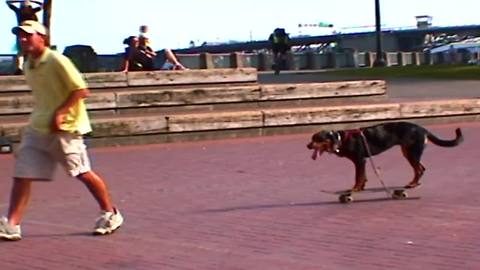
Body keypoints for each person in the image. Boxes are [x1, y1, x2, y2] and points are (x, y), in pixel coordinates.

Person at [0, 20, 124, 241]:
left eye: (28, 35)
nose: (23, 39)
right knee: (22, 174)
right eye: (20, 35)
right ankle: (11, 224)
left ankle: (110, 212)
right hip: (38, 127)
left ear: (42, 38)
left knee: (82, 172)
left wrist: (61, 113)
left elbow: (81, 90)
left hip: (65, 129)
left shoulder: (57, 60)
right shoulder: (28, 64)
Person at [6, 0, 43, 75]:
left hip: (26, 32)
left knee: (22, 52)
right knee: (25, 51)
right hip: (29, 32)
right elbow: (42, 5)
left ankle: (21, 67)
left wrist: (21, 1)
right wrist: (32, 1)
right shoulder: (31, 10)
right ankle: (21, 68)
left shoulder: (19, 10)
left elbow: (8, 2)